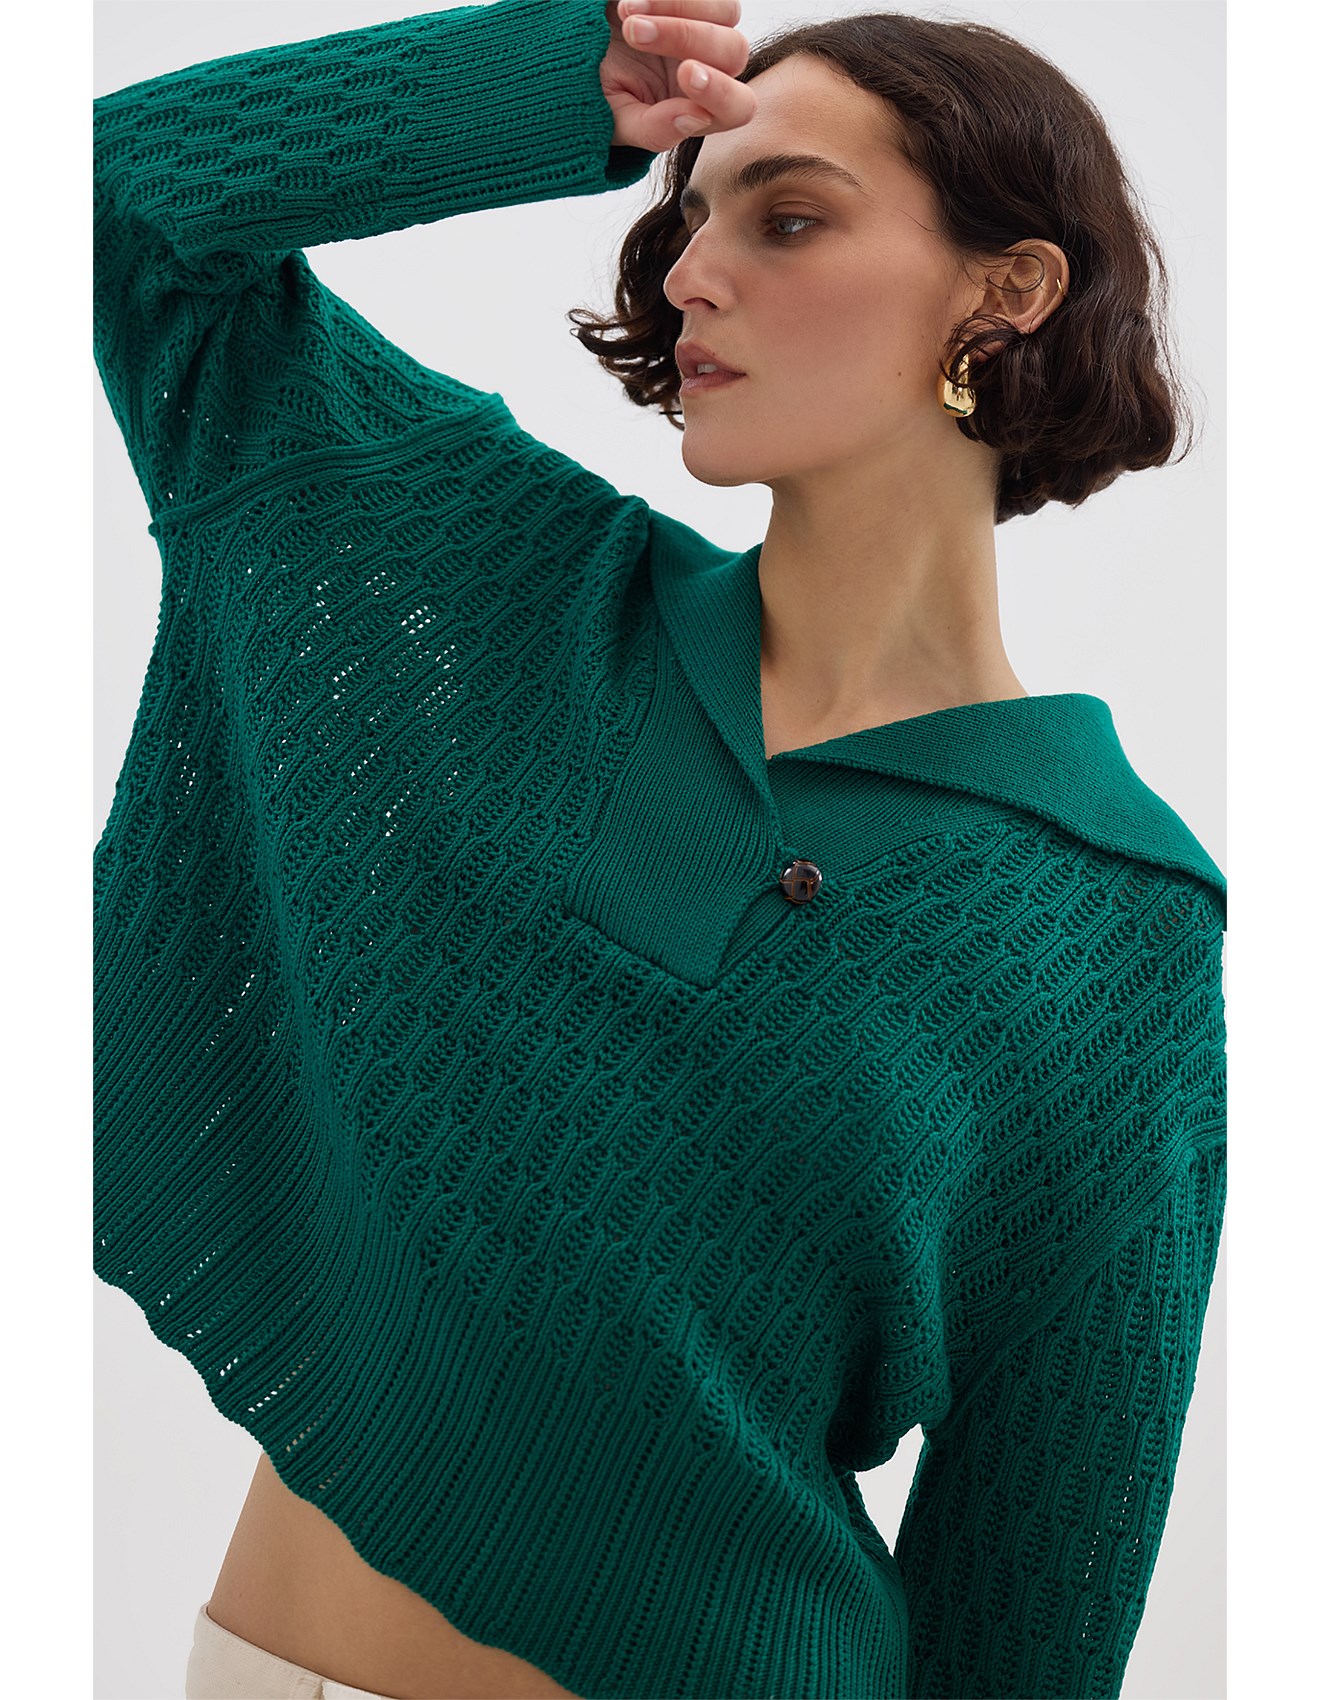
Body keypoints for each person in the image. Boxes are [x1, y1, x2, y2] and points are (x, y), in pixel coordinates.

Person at [93, 2, 1227, 1698]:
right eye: (688, 215)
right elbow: (115, 199)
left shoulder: (1109, 918)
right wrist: (552, 86)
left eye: (790, 216)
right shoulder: (494, 581)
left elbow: (1038, 1567)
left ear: (1008, 289)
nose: (691, 271)